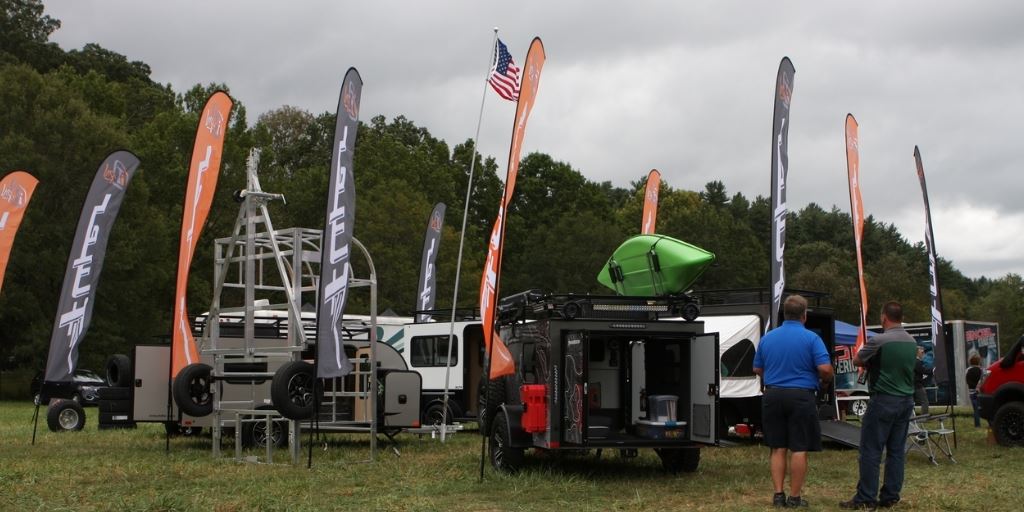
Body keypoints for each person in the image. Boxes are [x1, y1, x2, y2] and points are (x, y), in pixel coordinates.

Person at [753, 295, 833, 508]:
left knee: (777, 447)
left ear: (784, 315)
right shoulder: (811, 338)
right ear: (804, 316)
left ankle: (778, 495)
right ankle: (795, 497)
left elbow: (757, 368)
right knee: (799, 447)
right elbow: (825, 369)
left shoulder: (768, 338)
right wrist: (824, 381)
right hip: (800, 395)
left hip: (773, 394)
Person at [840, 301, 918, 510]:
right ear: (900, 317)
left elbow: (857, 360)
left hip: (883, 399)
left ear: (884, 317)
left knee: (871, 450)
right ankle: (891, 495)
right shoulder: (912, 342)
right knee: (896, 451)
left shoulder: (879, 340)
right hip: (906, 401)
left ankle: (866, 497)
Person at [966, 354, 983, 427]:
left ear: (970, 361)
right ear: (979, 361)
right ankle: (991, 423)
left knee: (975, 409)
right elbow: (983, 380)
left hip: (971, 392)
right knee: (983, 408)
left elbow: (967, 380)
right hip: (980, 392)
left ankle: (977, 424)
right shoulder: (981, 370)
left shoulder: (968, 370)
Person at [913, 346, 931, 415]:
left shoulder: (914, 361)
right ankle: (924, 417)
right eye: (922, 352)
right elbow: (923, 371)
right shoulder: (917, 362)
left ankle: (912, 417)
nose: (924, 354)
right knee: (925, 401)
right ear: (917, 353)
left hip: (914, 385)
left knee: (911, 402)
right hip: (917, 385)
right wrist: (933, 370)